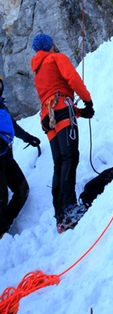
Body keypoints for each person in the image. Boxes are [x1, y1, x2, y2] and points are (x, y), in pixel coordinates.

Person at [30, 33, 95, 233]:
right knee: (70, 158)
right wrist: (88, 101)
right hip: (61, 111)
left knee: (60, 162)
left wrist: (80, 113)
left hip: (49, 119)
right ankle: (70, 207)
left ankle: (61, 214)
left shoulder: (38, 71)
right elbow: (72, 80)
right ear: (50, 45)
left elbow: (54, 95)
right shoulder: (56, 58)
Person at [0, 75, 41, 238]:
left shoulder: (3, 107)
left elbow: (13, 127)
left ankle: (5, 226)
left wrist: (28, 138)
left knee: (22, 189)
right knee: (1, 198)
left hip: (7, 156)